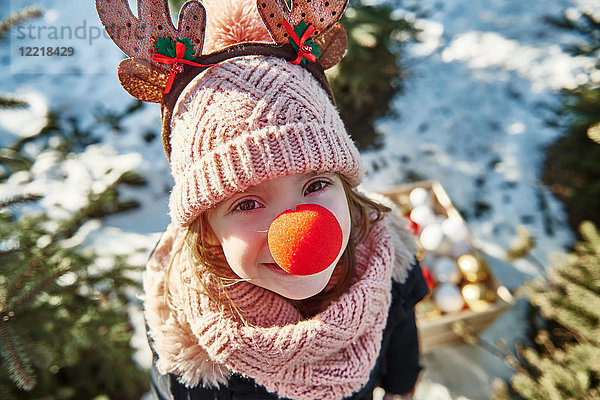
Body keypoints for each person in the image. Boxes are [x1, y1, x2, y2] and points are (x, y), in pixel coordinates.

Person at [96, 0, 428, 398]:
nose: (298, 231)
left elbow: (403, 337)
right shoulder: (194, 350)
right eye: (247, 204)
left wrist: (401, 388)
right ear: (207, 230)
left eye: (316, 184)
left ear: (346, 184)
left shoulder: (385, 260)